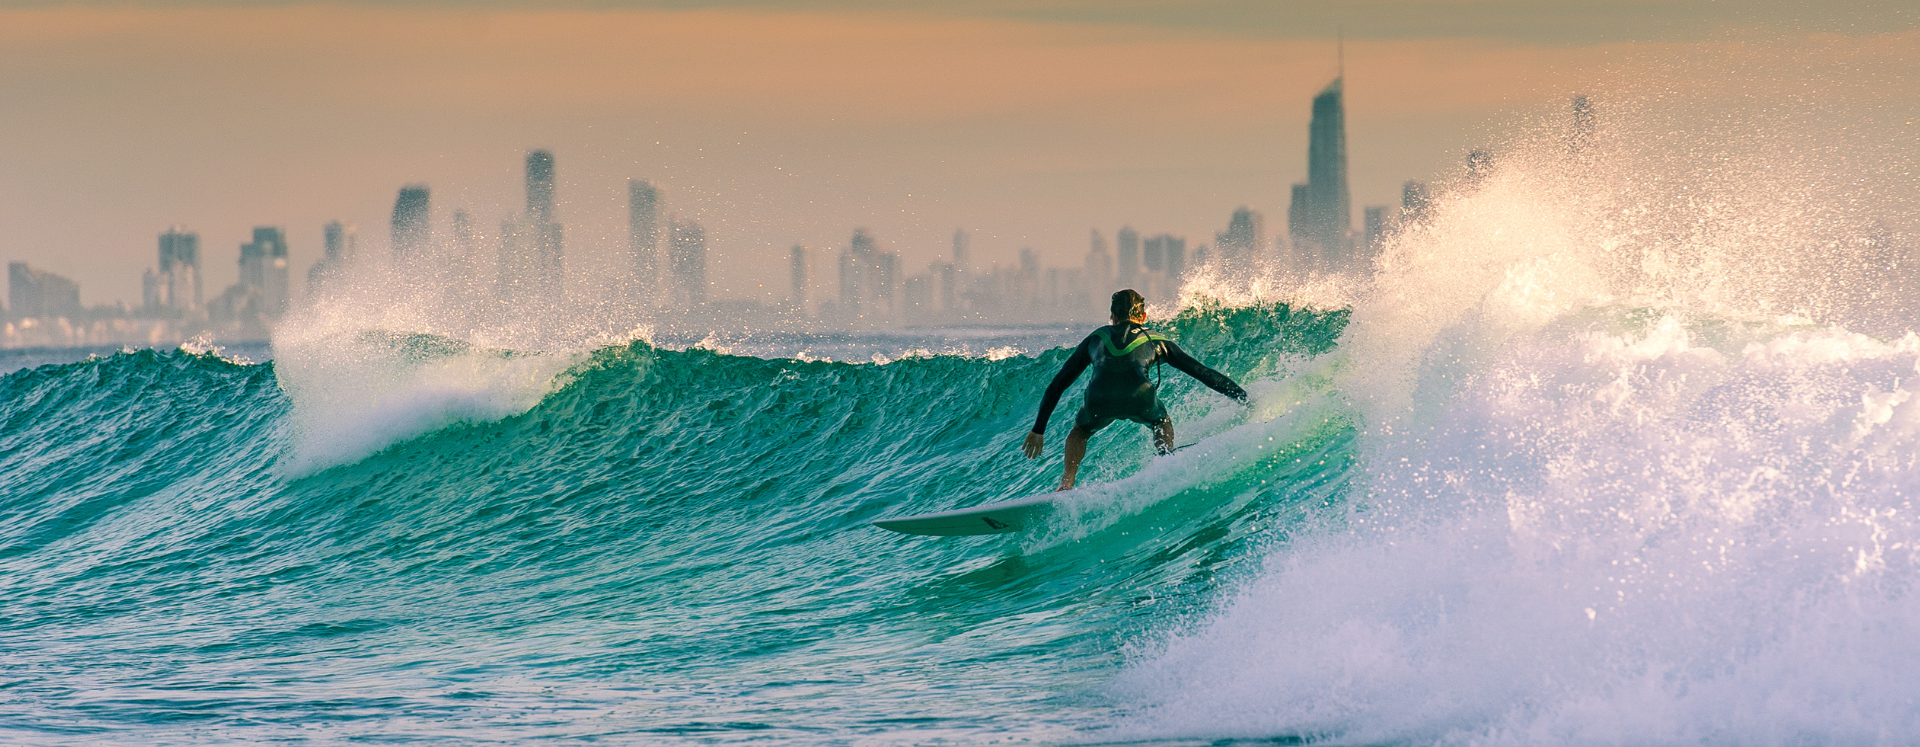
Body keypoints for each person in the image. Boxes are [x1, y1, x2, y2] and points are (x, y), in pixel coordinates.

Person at [1022, 289, 1248, 490]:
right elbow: (1202, 372)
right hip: (1140, 397)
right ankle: (1165, 462)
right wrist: (1242, 397)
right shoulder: (1156, 339)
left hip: (1100, 399)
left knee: (1080, 432)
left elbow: (1058, 384)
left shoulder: (1096, 338)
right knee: (1161, 422)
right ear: (1143, 317)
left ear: (1113, 316)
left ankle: (1066, 483)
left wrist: (1038, 429)